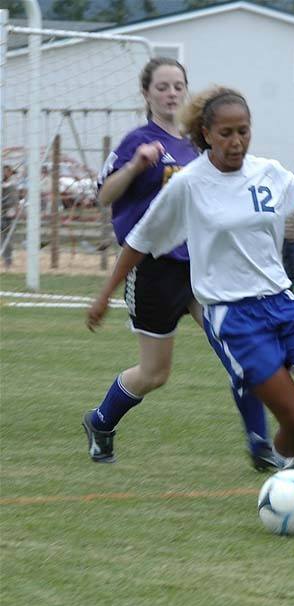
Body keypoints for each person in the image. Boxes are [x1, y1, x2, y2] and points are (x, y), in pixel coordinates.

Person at [86, 86, 294, 495]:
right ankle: (292, 486)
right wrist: (105, 294)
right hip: (234, 317)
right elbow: (139, 242)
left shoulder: (268, 172)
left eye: (244, 132)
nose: (236, 142)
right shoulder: (188, 185)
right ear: (206, 135)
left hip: (283, 305)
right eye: (227, 133)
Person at [83, 60, 274, 471]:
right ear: (147, 93)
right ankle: (100, 421)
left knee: (240, 351)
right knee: (154, 374)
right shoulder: (137, 140)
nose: (171, 93)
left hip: (203, 268)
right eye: (162, 87)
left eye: (178, 86)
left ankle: (260, 445)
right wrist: (136, 165)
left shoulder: (198, 144)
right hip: (152, 269)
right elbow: (103, 196)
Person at [1, 165, 19, 269]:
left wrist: (14, 210)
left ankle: (8, 260)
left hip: (9, 214)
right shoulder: (2, 184)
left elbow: (14, 200)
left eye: (7, 171)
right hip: (3, 213)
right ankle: (5, 259)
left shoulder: (12, 185)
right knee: (3, 238)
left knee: (8, 238)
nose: (5, 173)